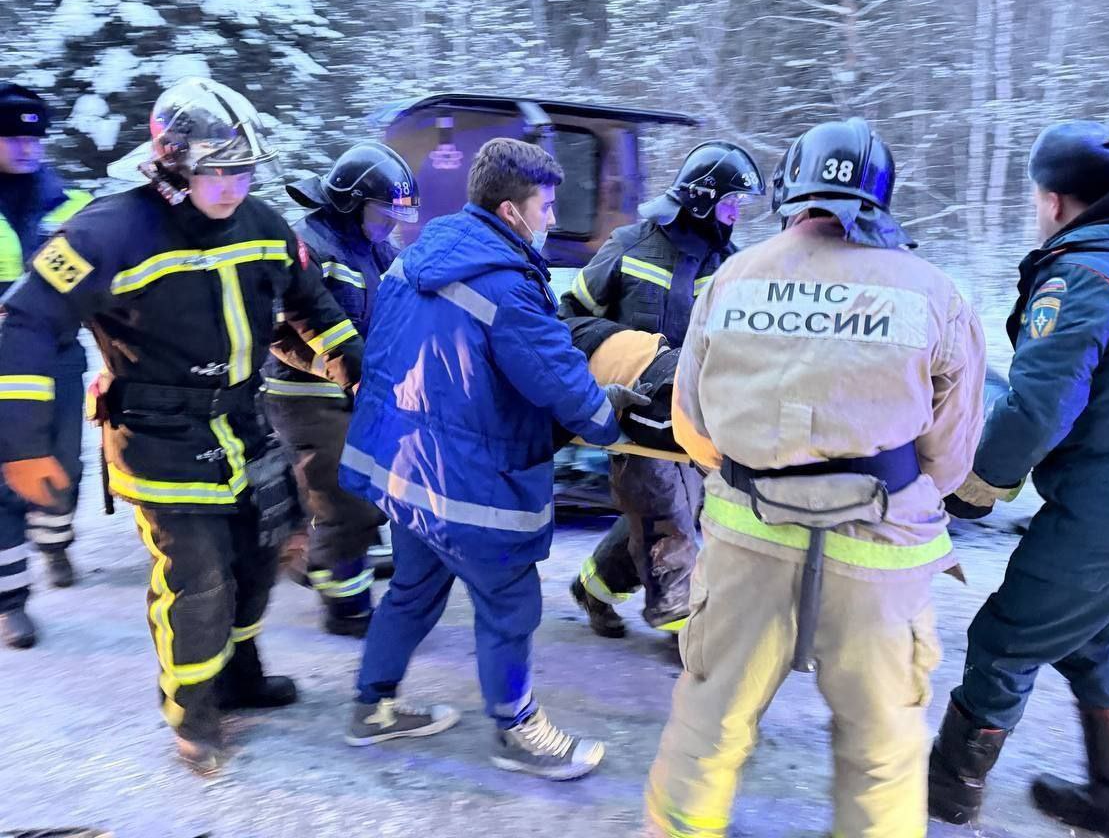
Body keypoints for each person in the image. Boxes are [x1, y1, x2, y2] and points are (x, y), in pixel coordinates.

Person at [0, 76, 364, 774]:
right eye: (215, 172)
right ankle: (193, 709)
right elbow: (25, 322)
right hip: (157, 437)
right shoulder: (109, 230)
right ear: (170, 165)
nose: (231, 187)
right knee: (197, 580)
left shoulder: (261, 224)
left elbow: (308, 302)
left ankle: (239, 674)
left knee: (258, 561)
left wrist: (351, 362)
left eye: (243, 170)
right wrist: (17, 444)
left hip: (245, 427)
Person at [646, 118, 987, 838]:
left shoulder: (732, 279)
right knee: (881, 750)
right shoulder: (933, 293)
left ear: (789, 191)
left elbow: (690, 426)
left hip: (747, 545)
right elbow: (953, 458)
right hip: (879, 555)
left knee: (708, 724)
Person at [932, 121, 1109, 838]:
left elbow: (1036, 406)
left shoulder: (1083, 277)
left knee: (1004, 640)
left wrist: (976, 485)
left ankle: (947, 793)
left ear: (1056, 201)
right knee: (1084, 642)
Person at [339, 137, 646, 781]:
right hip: (471, 485)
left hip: (405, 469)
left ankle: (372, 708)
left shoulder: (417, 255)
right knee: (508, 606)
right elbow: (565, 387)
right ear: (511, 212)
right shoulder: (506, 287)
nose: (553, 220)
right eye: (546, 206)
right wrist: (607, 408)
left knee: (413, 590)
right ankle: (518, 729)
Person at [559, 141, 764, 638]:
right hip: (635, 412)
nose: (736, 214)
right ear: (700, 200)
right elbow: (570, 318)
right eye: (730, 202)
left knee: (674, 508)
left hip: (694, 416)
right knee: (663, 510)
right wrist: (619, 361)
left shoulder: (731, 267)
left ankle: (597, 587)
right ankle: (679, 616)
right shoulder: (629, 246)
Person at [264, 141, 417, 636]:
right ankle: (345, 608)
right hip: (304, 397)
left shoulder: (373, 246)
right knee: (347, 496)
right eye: (384, 212)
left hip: (360, 390)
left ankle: (320, 559)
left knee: (373, 489)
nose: (393, 223)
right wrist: (338, 370)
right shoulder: (309, 246)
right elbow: (278, 332)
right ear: (352, 202)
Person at [0, 83, 94, 649]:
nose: (27, 147)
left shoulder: (71, 204)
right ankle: (11, 602)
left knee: (61, 461)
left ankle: (55, 539)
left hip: (57, 354)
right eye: (12, 136)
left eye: (35, 136)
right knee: (5, 474)